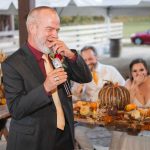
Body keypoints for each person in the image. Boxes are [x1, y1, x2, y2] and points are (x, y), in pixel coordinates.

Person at [1, 6, 92, 150]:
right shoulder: (12, 64)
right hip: (34, 141)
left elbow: (86, 77)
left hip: (65, 137)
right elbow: (16, 109)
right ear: (32, 28)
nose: (55, 35)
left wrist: (71, 55)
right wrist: (45, 88)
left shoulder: (58, 54)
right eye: (49, 29)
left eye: (57, 30)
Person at [71, 46, 125, 150]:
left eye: (90, 59)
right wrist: (78, 92)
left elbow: (123, 88)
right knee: (76, 132)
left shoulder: (110, 70)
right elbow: (73, 97)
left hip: (110, 113)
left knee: (118, 132)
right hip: (91, 115)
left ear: (97, 57)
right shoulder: (81, 75)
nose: (88, 62)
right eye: (85, 60)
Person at [109, 58, 150, 150]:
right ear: (131, 73)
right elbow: (125, 106)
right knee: (121, 134)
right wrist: (135, 86)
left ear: (147, 70)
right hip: (134, 124)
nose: (138, 73)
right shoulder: (128, 83)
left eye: (141, 70)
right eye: (134, 71)